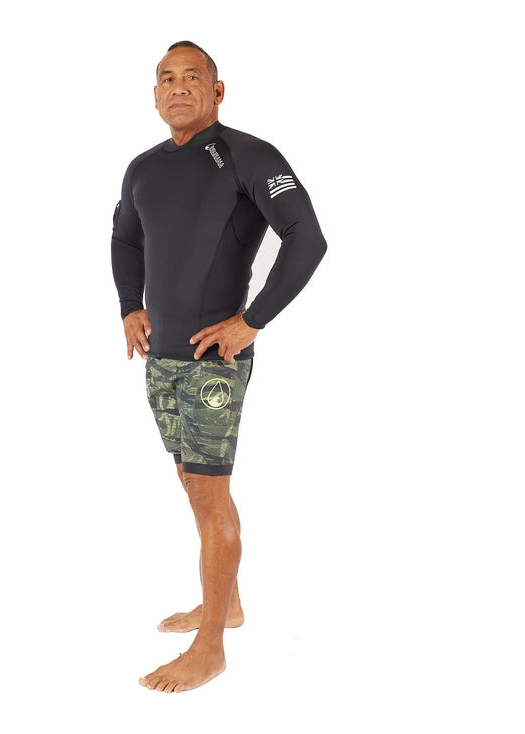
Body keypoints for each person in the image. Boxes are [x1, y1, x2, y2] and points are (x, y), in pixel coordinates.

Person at [110, 40, 327, 693]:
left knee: (208, 492)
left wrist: (252, 320)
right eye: (166, 79)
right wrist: (129, 306)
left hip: (214, 360)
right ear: (155, 94)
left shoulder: (248, 156)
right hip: (161, 358)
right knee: (193, 483)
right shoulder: (143, 168)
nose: (178, 88)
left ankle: (210, 648)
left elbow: (307, 237)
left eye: (192, 77)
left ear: (217, 90)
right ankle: (226, 602)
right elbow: (124, 238)